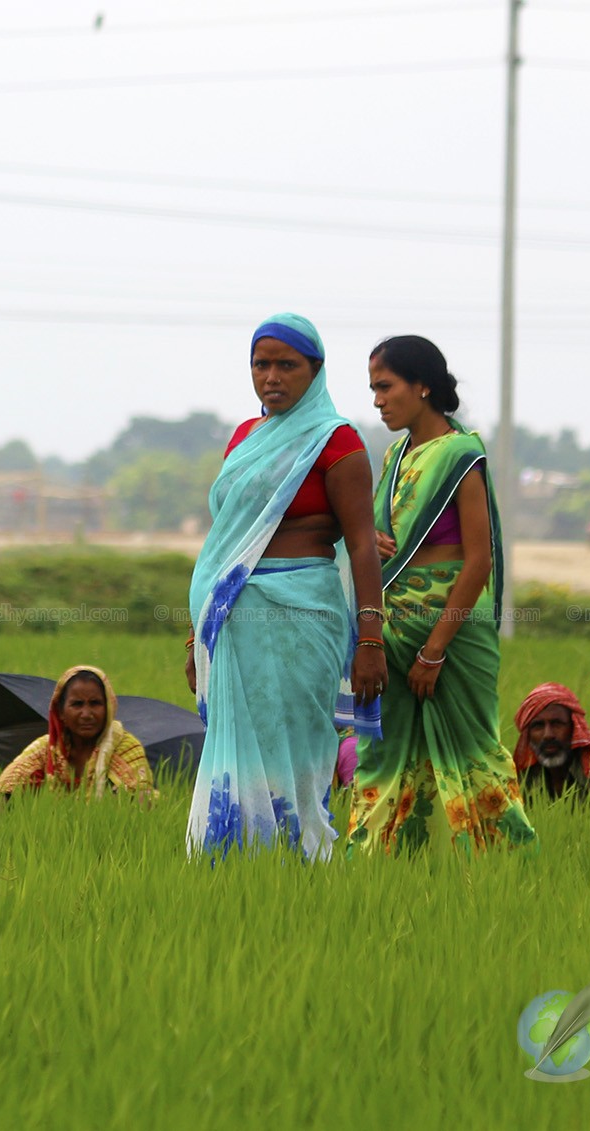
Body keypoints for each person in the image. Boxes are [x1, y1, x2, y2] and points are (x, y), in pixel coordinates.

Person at [183, 313, 386, 861]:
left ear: (314, 371)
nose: (272, 376)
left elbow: (363, 544)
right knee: (232, 748)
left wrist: (370, 640)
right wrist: (196, 636)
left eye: (286, 365)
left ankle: (303, 863)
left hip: (304, 616)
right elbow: (226, 540)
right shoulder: (244, 439)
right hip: (232, 619)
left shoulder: (336, 441)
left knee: (297, 746)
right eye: (261, 364)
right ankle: (229, 861)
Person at [348, 335, 535, 854]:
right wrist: (376, 541)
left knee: (473, 753)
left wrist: (435, 650)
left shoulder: (460, 455)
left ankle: (504, 867)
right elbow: (387, 537)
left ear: (423, 386)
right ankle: (380, 864)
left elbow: (479, 560)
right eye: (373, 390)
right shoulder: (392, 457)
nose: (378, 400)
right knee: (384, 755)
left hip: (449, 633)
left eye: (385, 387)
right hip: (391, 624)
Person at [0, 665, 157, 802]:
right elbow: (5, 789)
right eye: (77, 704)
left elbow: (141, 801)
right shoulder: (46, 749)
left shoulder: (125, 747)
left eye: (95, 703)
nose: (86, 714)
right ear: (61, 712)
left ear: (109, 707)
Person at [511, 683, 590, 802]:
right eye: (538, 726)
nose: (548, 735)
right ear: (528, 734)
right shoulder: (520, 783)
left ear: (574, 727)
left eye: (557, 724)